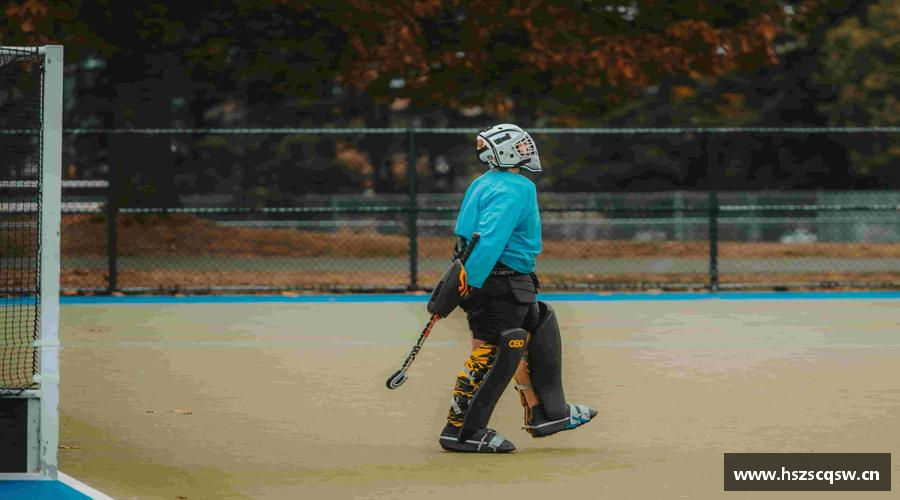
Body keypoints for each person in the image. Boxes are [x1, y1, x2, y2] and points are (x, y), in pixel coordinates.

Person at [439, 123, 597, 453]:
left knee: (537, 327)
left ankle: (547, 412)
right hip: (501, 281)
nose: (527, 150)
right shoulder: (517, 187)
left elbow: (468, 235)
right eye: (521, 146)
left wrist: (465, 280)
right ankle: (461, 430)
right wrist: (472, 281)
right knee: (492, 353)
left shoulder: (484, 182)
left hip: (502, 279)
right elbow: (489, 236)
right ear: (505, 152)